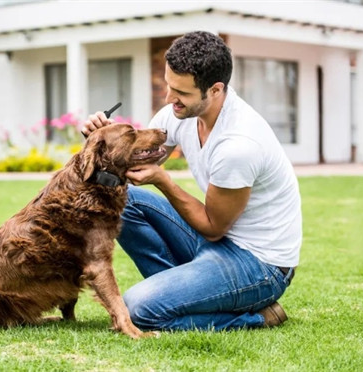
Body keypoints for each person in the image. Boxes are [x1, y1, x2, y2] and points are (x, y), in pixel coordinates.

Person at [81, 31, 302, 331]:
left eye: (181, 93)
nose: (170, 98)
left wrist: (163, 180)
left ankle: (256, 316)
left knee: (136, 309)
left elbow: (213, 228)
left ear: (215, 89)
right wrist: (105, 139)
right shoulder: (180, 113)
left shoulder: (238, 144)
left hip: (258, 264)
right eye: (170, 85)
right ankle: (183, 291)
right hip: (217, 245)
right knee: (125, 201)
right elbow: (140, 160)